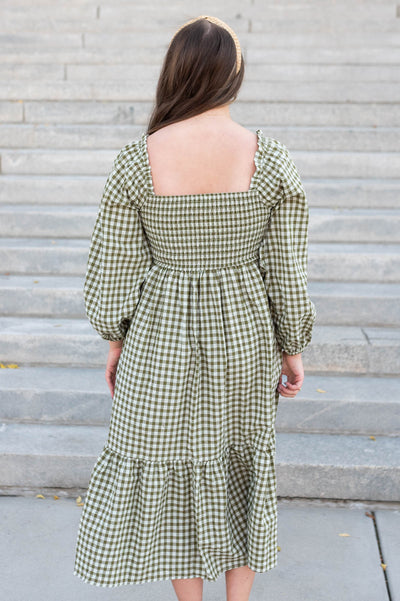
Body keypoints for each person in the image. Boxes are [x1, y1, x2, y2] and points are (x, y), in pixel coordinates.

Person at [73, 14, 317, 601]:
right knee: (242, 466)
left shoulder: (138, 160)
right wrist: (293, 348)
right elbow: (287, 269)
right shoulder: (271, 159)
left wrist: (115, 340)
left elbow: (111, 270)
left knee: (176, 471)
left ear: (176, 73)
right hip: (244, 336)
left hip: (160, 338)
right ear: (234, 76)